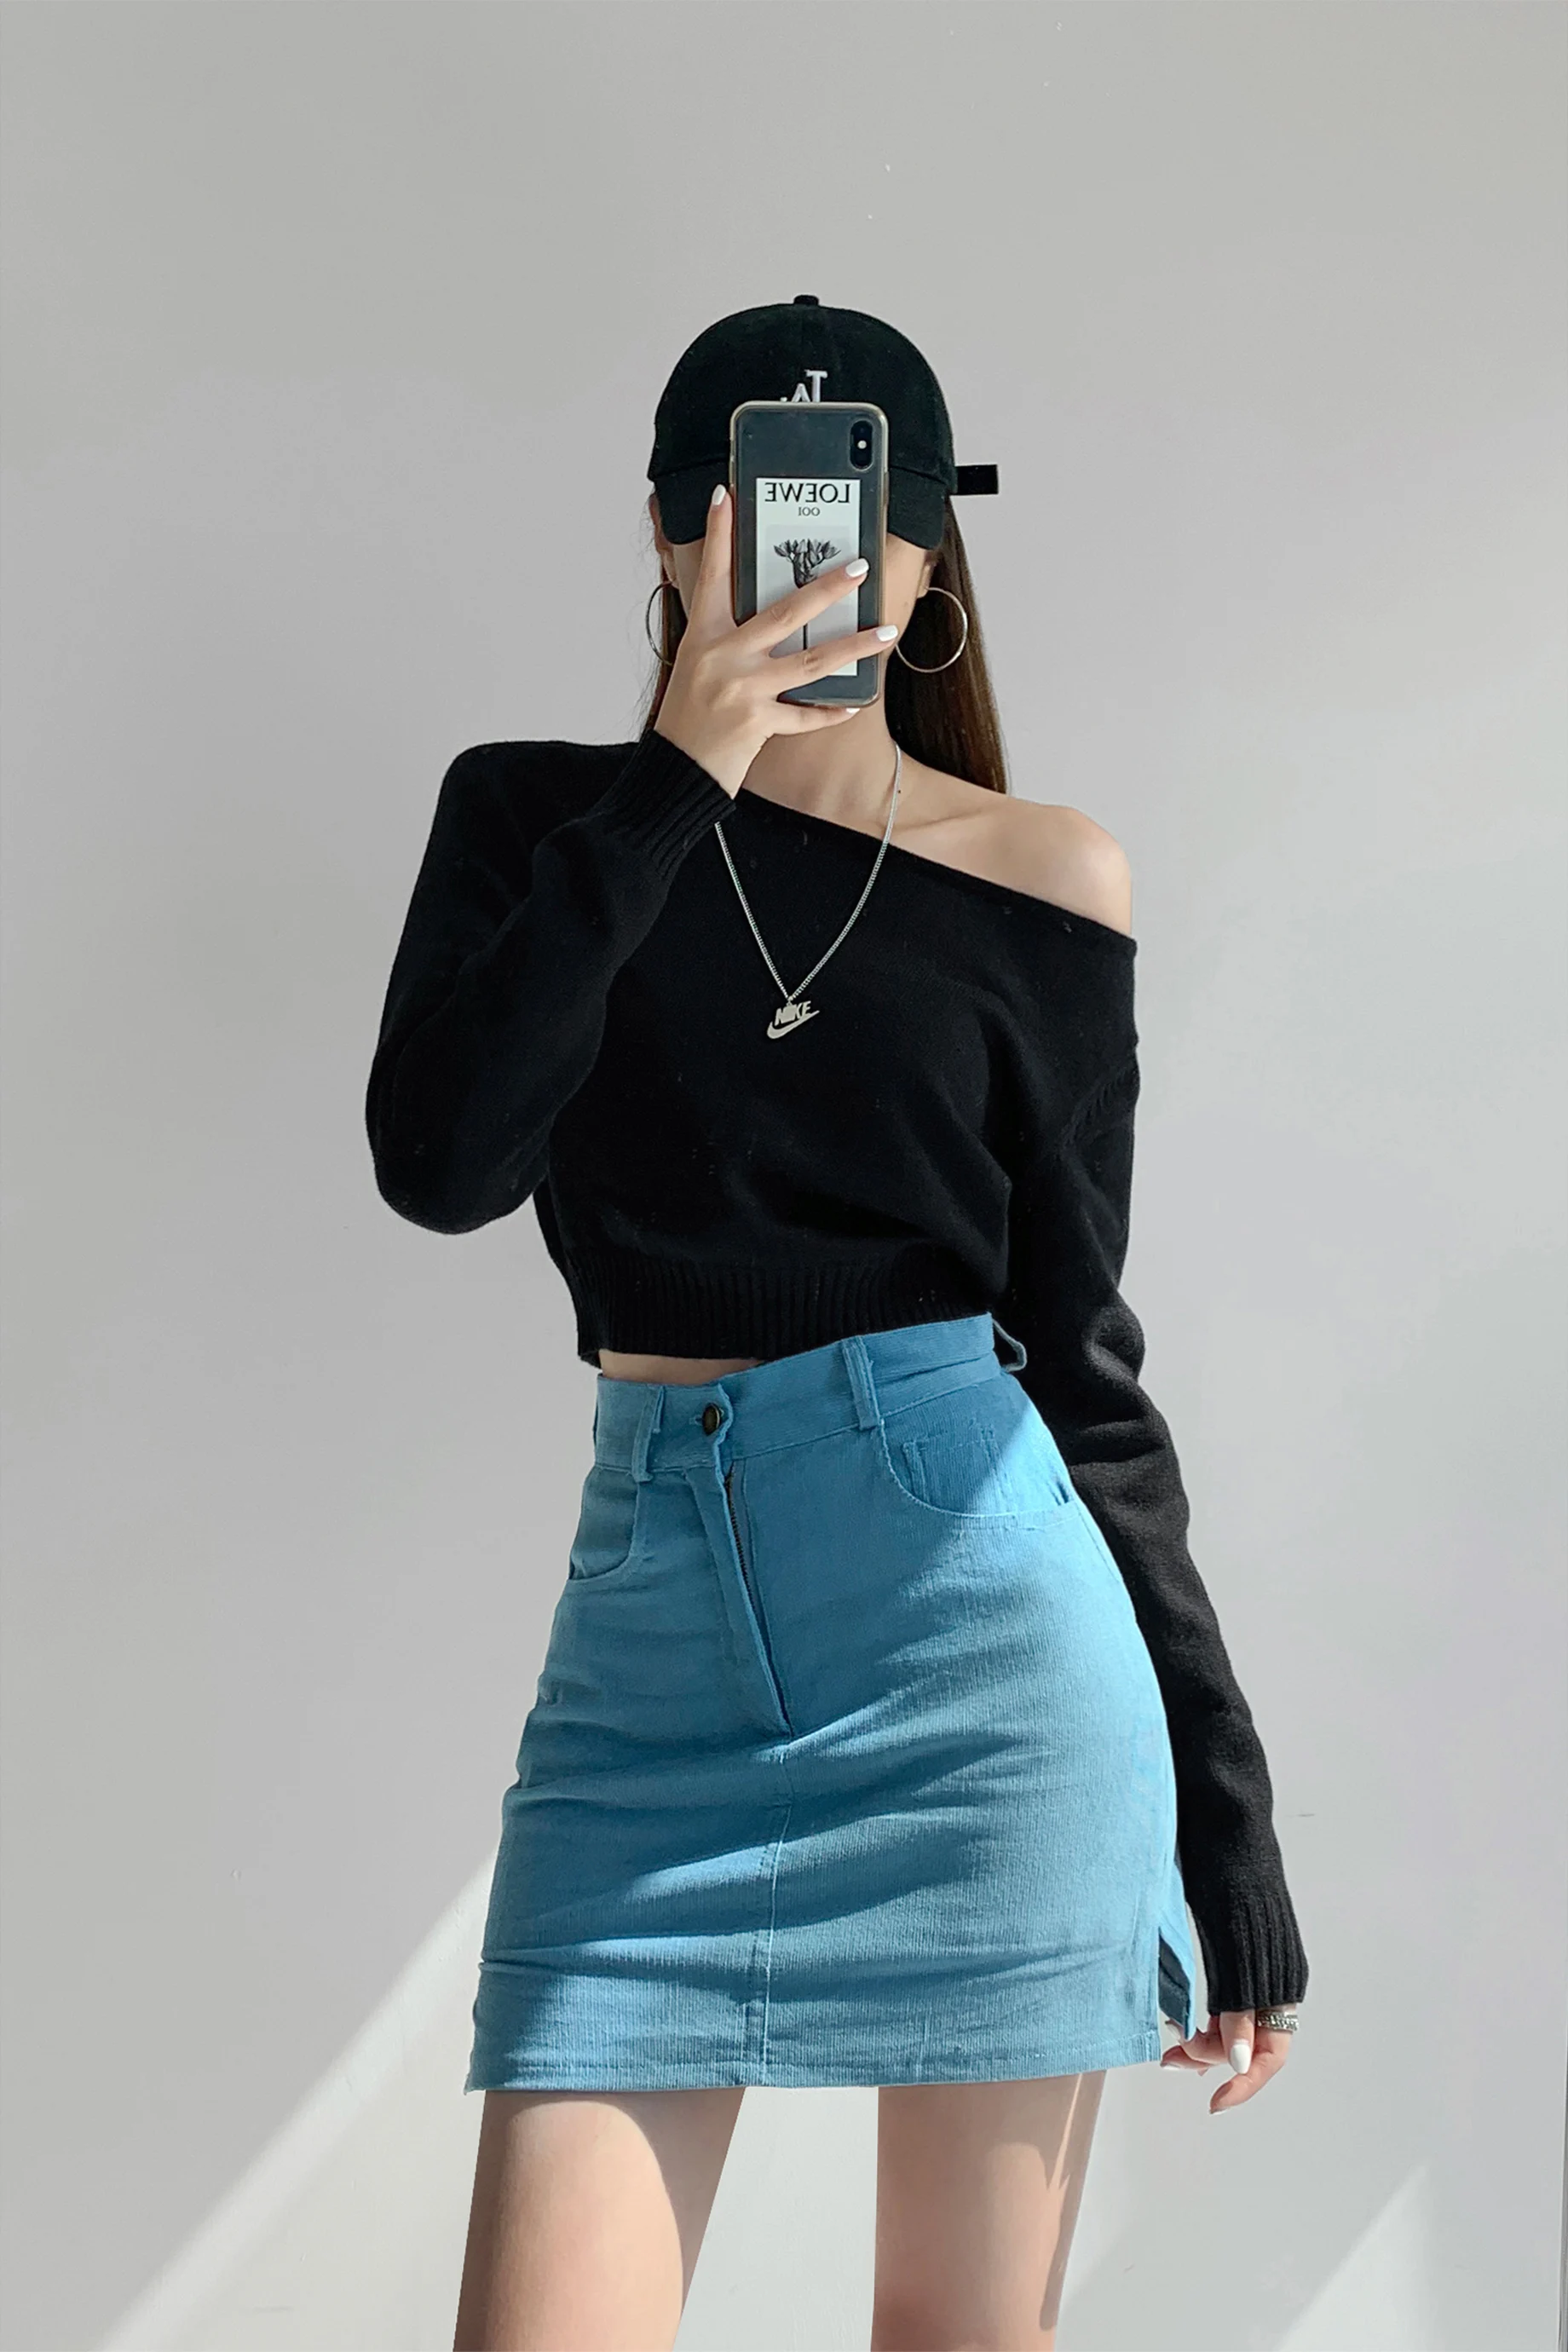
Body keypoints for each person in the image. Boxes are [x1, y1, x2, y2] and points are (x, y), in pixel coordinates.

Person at [366, 297, 1308, 2352]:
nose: (820, 549)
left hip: (982, 1645)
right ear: (668, 529)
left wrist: (1226, 1829)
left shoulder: (1040, 877)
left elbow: (1084, 1368)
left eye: (866, 503)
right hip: (644, 1661)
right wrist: (678, 778)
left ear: (928, 548)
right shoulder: (536, 825)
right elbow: (438, 1162)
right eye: (762, 500)